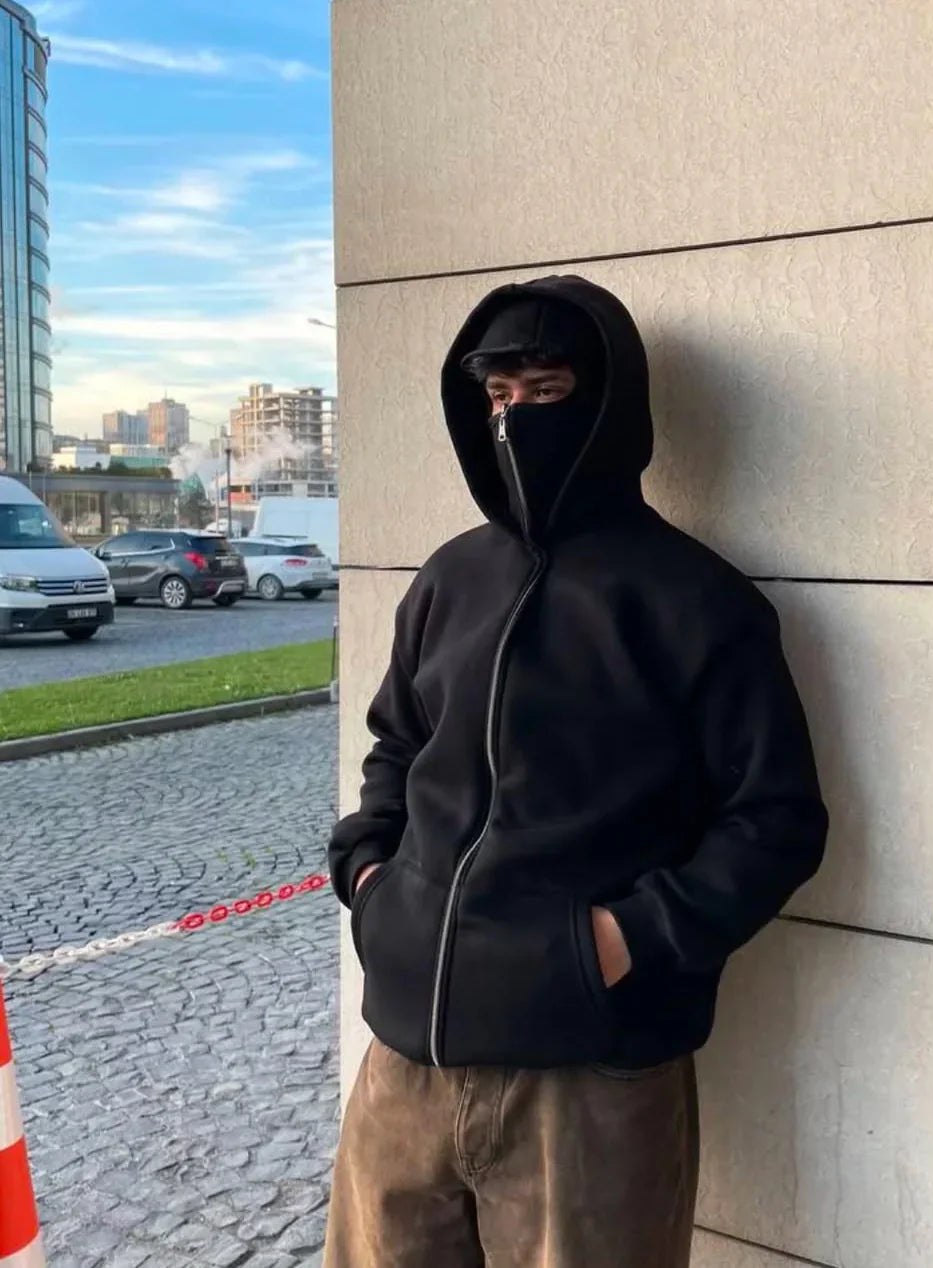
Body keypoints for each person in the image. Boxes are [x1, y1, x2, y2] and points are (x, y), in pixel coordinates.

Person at [324, 275, 828, 1268]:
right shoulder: (449, 578)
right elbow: (397, 745)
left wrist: (619, 939)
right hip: (404, 1060)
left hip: (590, 1078)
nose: (515, 421)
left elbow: (775, 820)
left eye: (545, 392)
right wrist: (369, 876)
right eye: (497, 398)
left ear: (608, 403)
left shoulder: (696, 599)